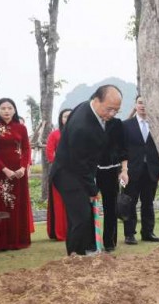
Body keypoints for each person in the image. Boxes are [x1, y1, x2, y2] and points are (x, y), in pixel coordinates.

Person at [50, 85, 123, 255]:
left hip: (78, 170)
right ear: (96, 101)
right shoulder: (83, 127)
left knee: (82, 215)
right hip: (67, 173)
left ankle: (82, 251)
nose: (112, 114)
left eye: (116, 111)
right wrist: (93, 189)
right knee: (81, 217)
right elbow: (80, 165)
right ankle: (75, 256)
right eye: (109, 109)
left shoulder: (87, 106)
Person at [122, 95, 159, 244]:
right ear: (135, 105)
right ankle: (129, 234)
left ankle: (148, 233)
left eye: (146, 103)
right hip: (131, 171)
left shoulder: (157, 126)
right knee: (130, 203)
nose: (143, 106)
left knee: (148, 203)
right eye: (140, 103)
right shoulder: (126, 125)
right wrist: (122, 170)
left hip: (151, 171)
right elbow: (121, 149)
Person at [0, 98, 32, 251]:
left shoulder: (21, 128)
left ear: (15, 110)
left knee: (17, 206)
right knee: (2, 207)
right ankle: (1, 242)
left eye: (10, 108)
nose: (6, 111)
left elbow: (26, 149)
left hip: (18, 175)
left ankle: (17, 241)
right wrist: (4, 170)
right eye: (3, 108)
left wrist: (23, 168)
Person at [96, 116, 128, 252]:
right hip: (91, 171)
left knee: (110, 207)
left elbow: (123, 148)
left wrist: (124, 170)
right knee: (88, 207)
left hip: (111, 170)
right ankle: (91, 242)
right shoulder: (89, 122)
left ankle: (109, 242)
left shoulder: (116, 123)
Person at [46, 108, 72, 241]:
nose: (67, 119)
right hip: (59, 174)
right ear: (60, 119)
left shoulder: (78, 133)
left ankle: (74, 231)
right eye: (65, 116)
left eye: (70, 116)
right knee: (59, 204)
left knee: (73, 203)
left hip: (76, 174)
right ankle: (60, 233)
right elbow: (50, 155)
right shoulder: (54, 135)